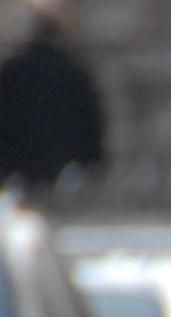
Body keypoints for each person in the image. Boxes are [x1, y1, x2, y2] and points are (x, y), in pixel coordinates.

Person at [0, 0, 105, 193]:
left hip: (18, 177)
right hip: (66, 175)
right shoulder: (74, 72)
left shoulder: (11, 72)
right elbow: (90, 127)